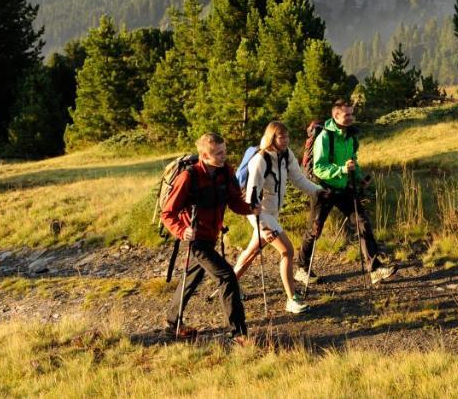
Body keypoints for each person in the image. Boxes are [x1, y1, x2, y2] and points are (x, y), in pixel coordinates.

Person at [160, 131, 255, 344]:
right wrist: (181, 230)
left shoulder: (225, 171)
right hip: (193, 239)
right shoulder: (188, 177)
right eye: (218, 154)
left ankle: (172, 324)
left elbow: (234, 202)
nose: (223, 157)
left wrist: (251, 209)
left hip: (211, 236)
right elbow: (167, 213)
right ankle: (238, 334)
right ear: (204, 156)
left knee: (192, 278)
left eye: (224, 152)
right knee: (227, 276)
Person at [295, 99, 396, 286]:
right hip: (323, 189)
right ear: (336, 116)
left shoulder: (350, 136)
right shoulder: (325, 137)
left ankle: (374, 269)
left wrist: (359, 177)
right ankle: (302, 268)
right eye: (347, 114)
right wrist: (341, 170)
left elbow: (353, 161)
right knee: (314, 229)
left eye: (352, 113)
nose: (351, 117)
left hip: (344, 188)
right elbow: (319, 168)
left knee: (362, 222)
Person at [232, 121, 323, 314]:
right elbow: (250, 199)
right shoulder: (260, 160)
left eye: (287, 136)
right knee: (287, 251)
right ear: (272, 137)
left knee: (251, 252)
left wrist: (319, 192)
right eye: (282, 137)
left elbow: (298, 179)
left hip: (272, 213)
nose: (286, 140)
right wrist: (263, 226)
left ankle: (229, 283)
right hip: (260, 214)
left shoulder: (286, 154)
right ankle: (292, 299)